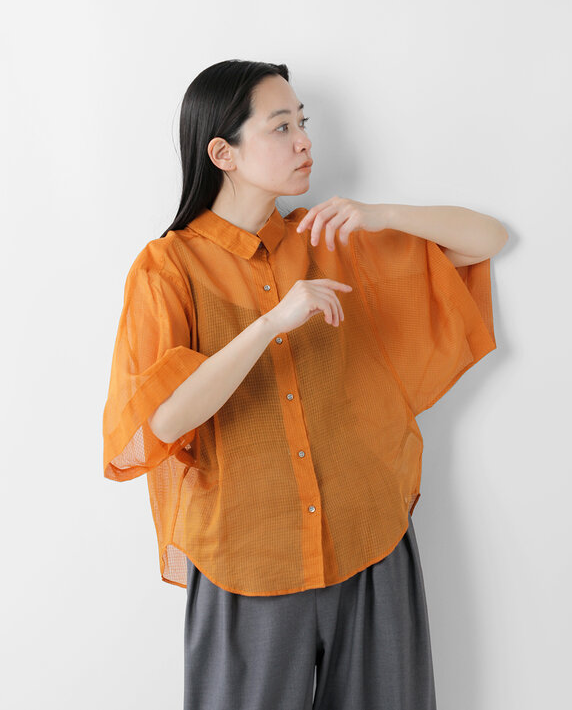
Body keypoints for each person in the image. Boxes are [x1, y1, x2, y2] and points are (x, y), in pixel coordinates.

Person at [103, 59, 505, 710]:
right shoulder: (167, 269)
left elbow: (486, 239)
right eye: (282, 126)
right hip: (245, 561)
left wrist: (378, 213)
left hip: (367, 544)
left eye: (303, 122)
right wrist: (270, 324)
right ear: (223, 153)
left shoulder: (329, 236)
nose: (304, 142)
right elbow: (163, 420)